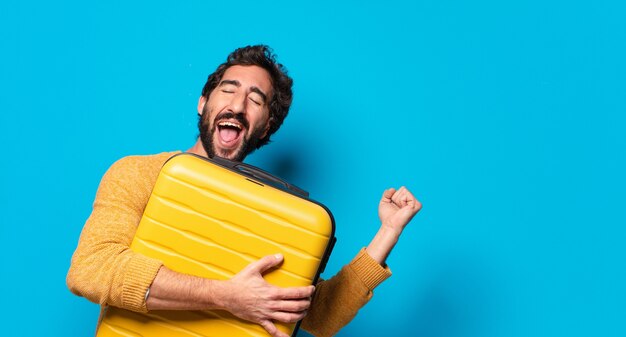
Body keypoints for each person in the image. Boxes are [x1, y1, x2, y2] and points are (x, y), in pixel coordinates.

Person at [67, 45, 422, 337]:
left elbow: (318, 316)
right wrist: (225, 296)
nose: (237, 105)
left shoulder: (278, 213)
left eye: (256, 99)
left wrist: (389, 231)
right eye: (228, 89)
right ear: (203, 102)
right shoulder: (138, 173)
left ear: (266, 126)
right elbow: (92, 268)